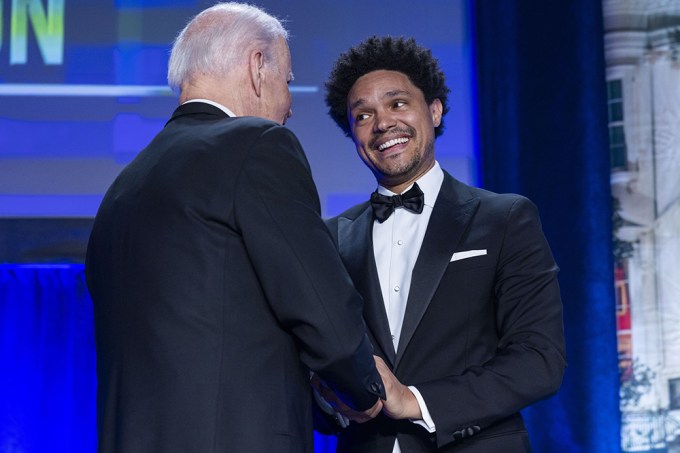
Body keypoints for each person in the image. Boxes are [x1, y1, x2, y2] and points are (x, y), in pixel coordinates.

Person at [85, 4, 385, 452]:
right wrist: (365, 390)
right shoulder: (257, 145)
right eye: (288, 82)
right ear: (256, 66)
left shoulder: (122, 189)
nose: (288, 108)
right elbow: (320, 305)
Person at [317, 36, 567, 452]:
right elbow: (319, 368)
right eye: (363, 115)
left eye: (398, 104)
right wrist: (330, 400)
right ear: (353, 134)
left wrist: (414, 401)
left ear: (434, 111)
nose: (382, 124)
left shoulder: (504, 218)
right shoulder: (329, 237)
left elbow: (539, 360)